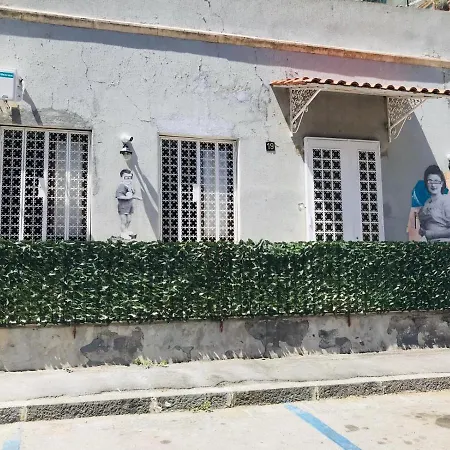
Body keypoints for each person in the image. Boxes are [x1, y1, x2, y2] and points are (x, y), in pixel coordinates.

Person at [418, 165, 450, 243]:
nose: (433, 185)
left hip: (445, 244)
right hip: (430, 245)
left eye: (436, 181)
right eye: (430, 181)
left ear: (442, 183)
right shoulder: (426, 204)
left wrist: (432, 234)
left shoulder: (446, 201)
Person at [115, 169, 141, 240]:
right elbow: (119, 196)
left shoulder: (129, 186)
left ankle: (126, 230)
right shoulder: (121, 186)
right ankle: (123, 233)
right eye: (126, 178)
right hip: (123, 206)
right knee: (124, 220)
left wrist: (135, 196)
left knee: (129, 220)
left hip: (129, 206)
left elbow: (132, 195)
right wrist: (127, 197)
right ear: (122, 178)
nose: (128, 179)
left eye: (130, 177)